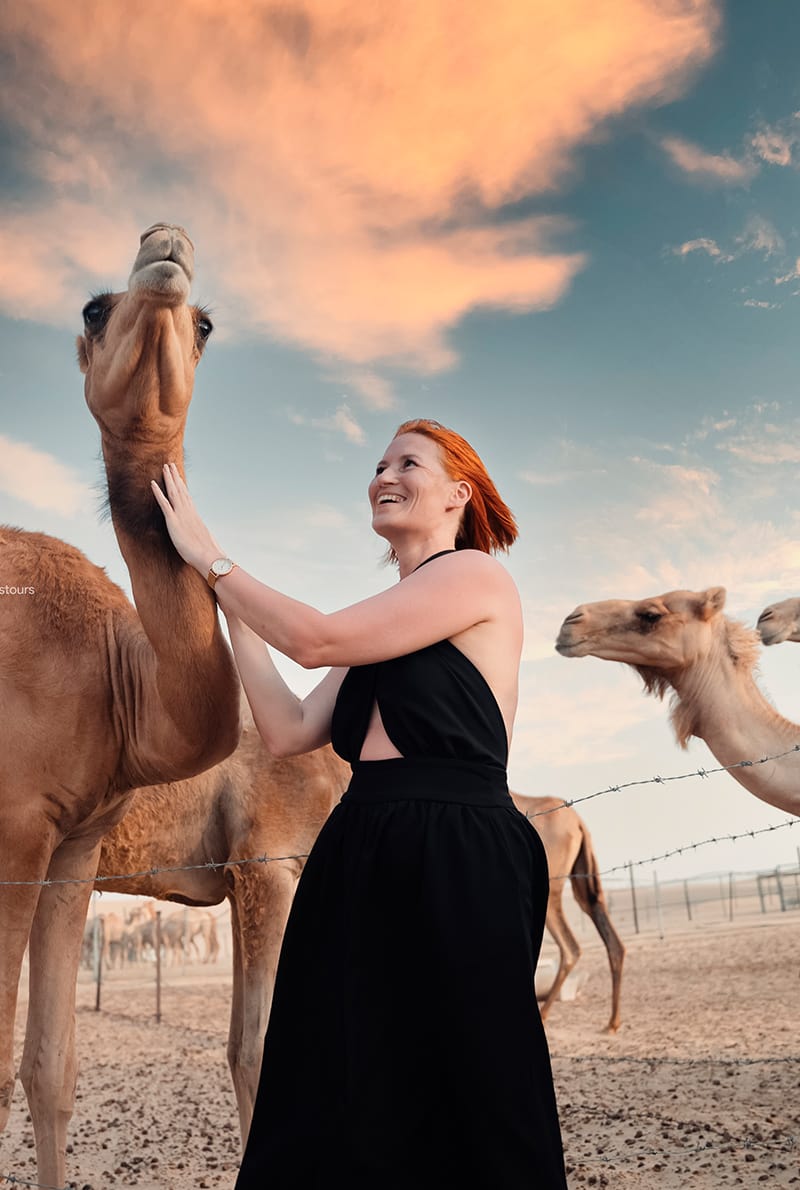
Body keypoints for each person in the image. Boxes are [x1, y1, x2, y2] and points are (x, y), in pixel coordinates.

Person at [151, 418, 567, 1189]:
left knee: (476, 1084)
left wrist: (211, 557)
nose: (385, 474)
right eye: (379, 463)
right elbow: (286, 728)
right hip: (361, 845)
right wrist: (230, 609)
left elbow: (312, 639)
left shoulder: (475, 576)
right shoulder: (388, 617)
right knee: (331, 1078)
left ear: (458, 493)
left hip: (458, 845)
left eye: (409, 462)